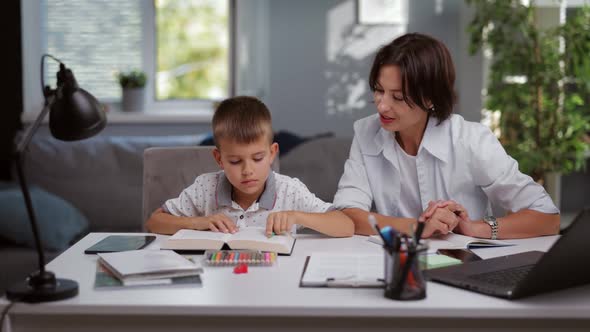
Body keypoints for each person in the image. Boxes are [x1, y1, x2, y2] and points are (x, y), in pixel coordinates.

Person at [333, 33, 559, 239]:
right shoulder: (366, 132)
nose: (382, 106)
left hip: (463, 268)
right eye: (379, 90)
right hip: (398, 266)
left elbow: (547, 218)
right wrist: (418, 227)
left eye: (398, 97)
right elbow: (347, 214)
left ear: (430, 99)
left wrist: (474, 227)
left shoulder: (471, 139)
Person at [146, 96, 354, 238]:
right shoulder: (206, 187)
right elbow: (155, 222)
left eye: (257, 158)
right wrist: (198, 222)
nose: (247, 170)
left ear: (272, 153)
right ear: (219, 159)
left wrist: (296, 216)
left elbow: (346, 225)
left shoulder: (289, 190)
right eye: (235, 161)